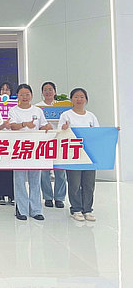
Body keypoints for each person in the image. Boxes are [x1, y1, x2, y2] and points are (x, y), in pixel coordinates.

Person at [9, 83, 52, 221]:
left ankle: (36, 210)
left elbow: (43, 125)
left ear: (32, 95)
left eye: (27, 94)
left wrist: (48, 127)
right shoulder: (13, 110)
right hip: (18, 149)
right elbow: (12, 126)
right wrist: (24, 124)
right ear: (17, 96)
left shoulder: (38, 111)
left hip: (35, 149)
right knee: (19, 180)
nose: (25, 97)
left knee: (35, 180)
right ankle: (21, 209)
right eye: (22, 94)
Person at [59, 88, 100, 222]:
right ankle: (76, 209)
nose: (79, 99)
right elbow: (60, 133)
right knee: (74, 183)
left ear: (86, 100)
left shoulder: (91, 116)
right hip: (73, 154)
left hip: (89, 155)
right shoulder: (66, 115)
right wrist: (64, 129)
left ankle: (87, 209)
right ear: (71, 99)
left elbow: (97, 133)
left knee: (88, 183)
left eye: (82, 97)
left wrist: (113, 131)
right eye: (76, 97)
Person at [36, 81, 66, 209]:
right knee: (44, 171)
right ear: (42, 92)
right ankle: (48, 197)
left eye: (50, 89)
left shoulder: (63, 107)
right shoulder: (38, 108)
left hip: (59, 141)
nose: (48, 92)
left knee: (60, 171)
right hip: (44, 142)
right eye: (45, 90)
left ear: (55, 91)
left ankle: (59, 198)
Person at [0, 82, 14, 205]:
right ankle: (0, 194)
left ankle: (12, 194)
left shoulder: (16, 106)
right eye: (2, 89)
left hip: (12, 140)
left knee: (12, 168)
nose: (5, 91)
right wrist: (2, 126)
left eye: (7, 89)